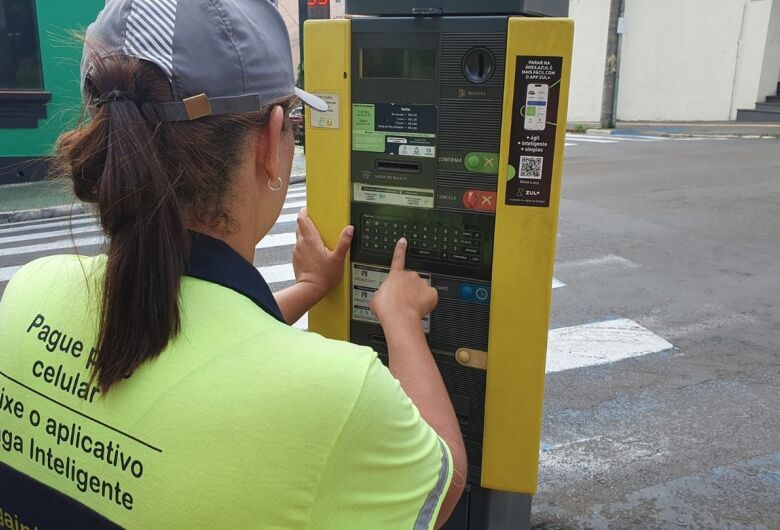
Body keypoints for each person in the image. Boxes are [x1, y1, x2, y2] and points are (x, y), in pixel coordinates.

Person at [0, 0, 466, 528]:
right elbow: (441, 479)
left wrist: (311, 287)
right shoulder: (338, 393)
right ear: (269, 141)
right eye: (293, 122)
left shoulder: (28, 295)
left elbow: (185, 352)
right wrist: (403, 319)